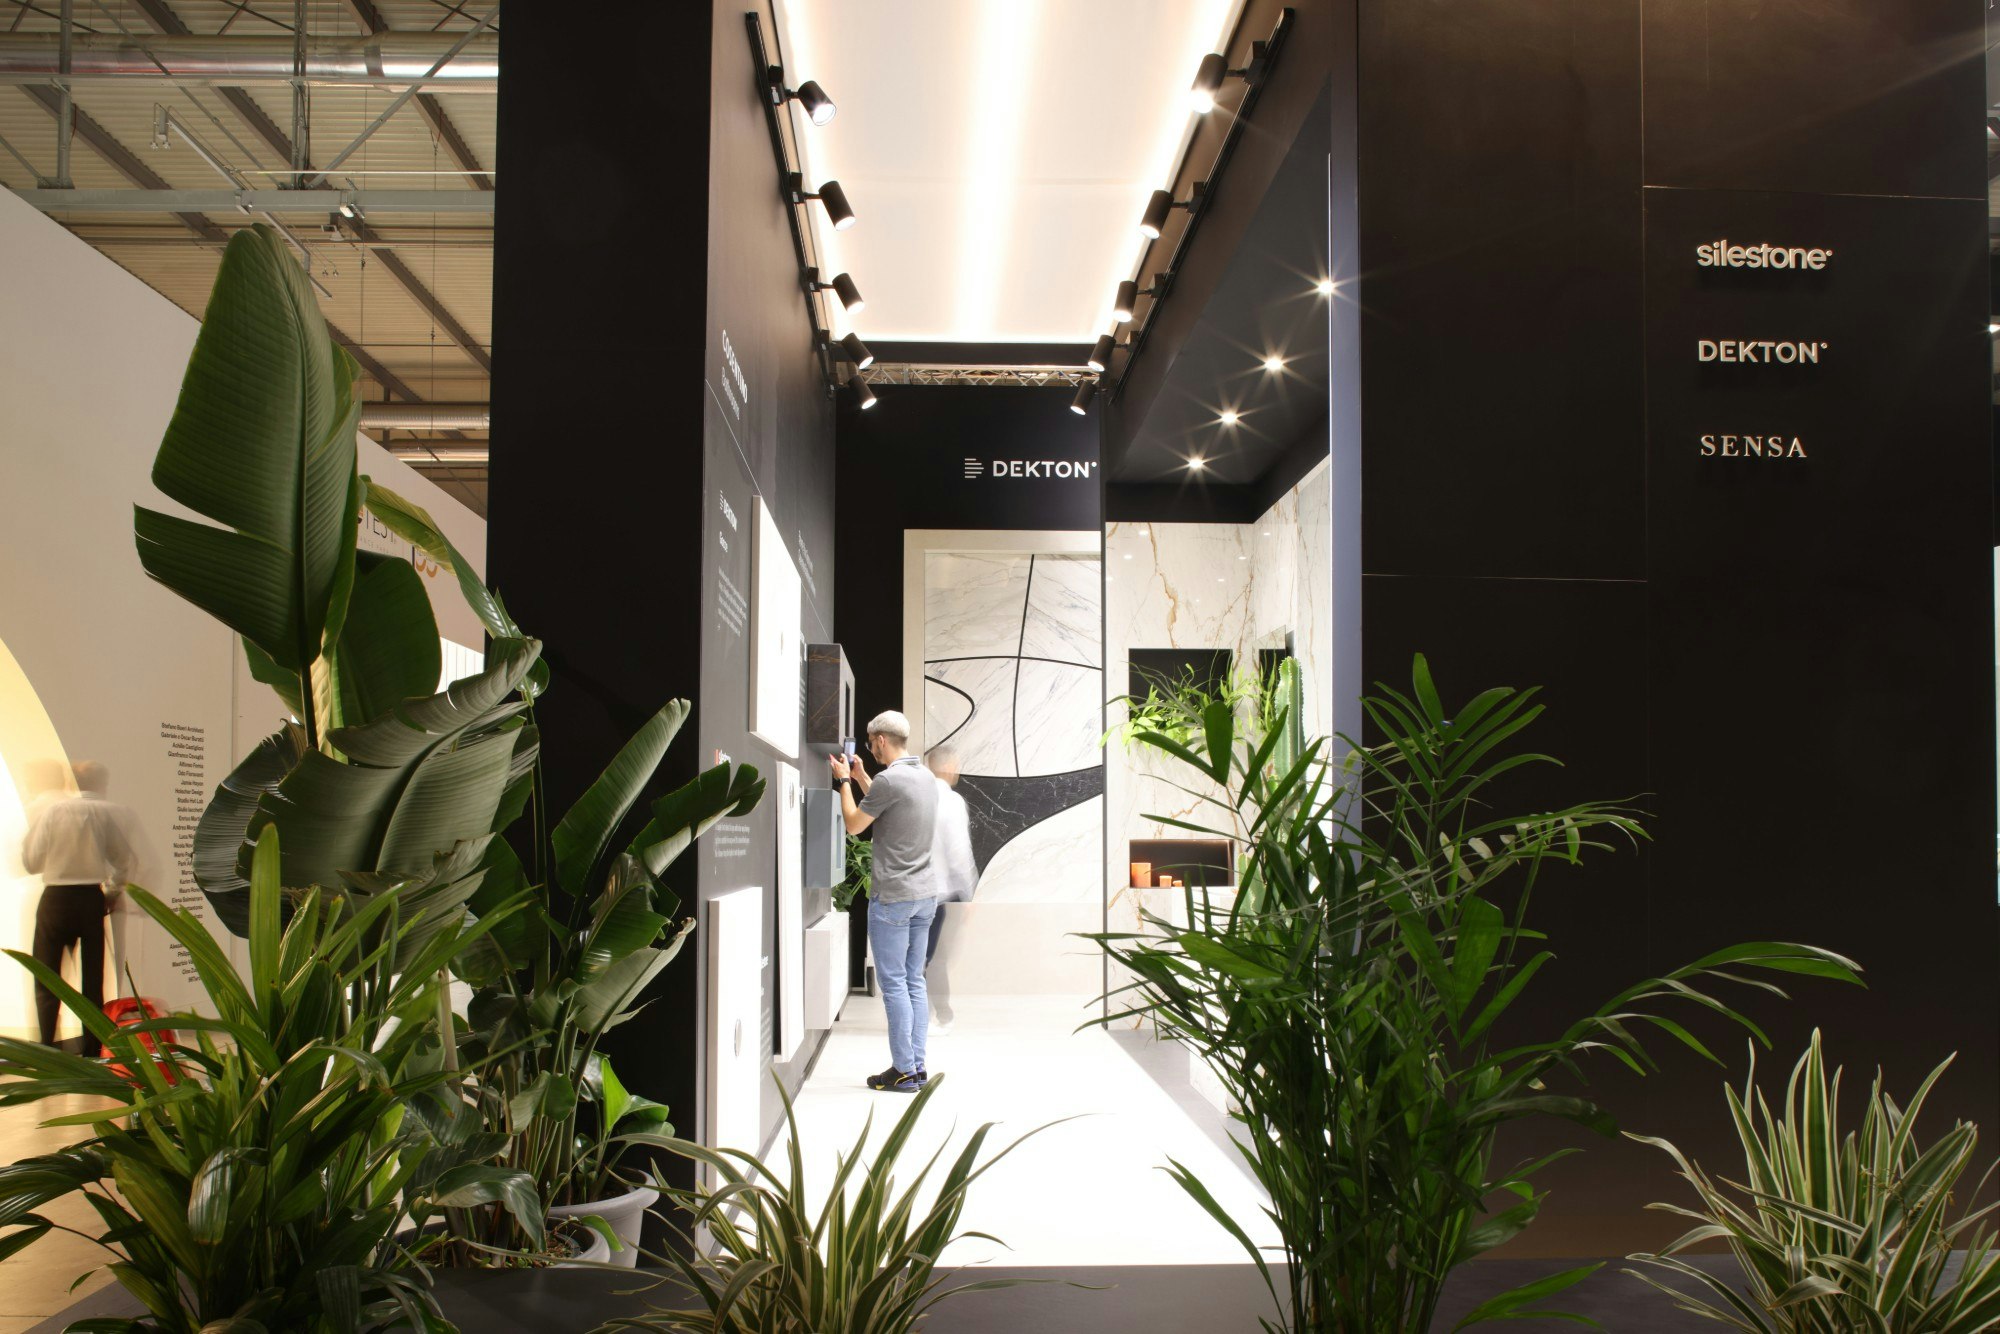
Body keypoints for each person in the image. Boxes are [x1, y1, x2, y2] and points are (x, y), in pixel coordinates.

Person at [830, 710, 937, 1093]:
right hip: (925, 895)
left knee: (893, 985)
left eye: (870, 741)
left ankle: (903, 1070)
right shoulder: (923, 777)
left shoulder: (890, 780)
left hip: (893, 897)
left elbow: (854, 824)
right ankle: (916, 1067)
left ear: (879, 740)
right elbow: (888, 800)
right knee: (914, 981)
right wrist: (862, 777)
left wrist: (844, 781)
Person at [20, 761, 139, 1053]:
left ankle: (48, 1049)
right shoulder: (103, 814)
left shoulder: (53, 812)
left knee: (47, 977)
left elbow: (31, 861)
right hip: (90, 898)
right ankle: (92, 1050)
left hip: (56, 899)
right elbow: (123, 859)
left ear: (70, 782)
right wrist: (112, 892)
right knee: (93, 980)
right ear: (102, 783)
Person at [924, 745, 978, 1032]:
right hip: (936, 893)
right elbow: (958, 852)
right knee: (933, 958)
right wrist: (968, 894)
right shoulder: (951, 801)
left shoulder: (917, 795)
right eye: (956, 765)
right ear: (947, 767)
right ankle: (938, 1017)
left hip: (909, 890)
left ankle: (929, 1017)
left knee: (919, 958)